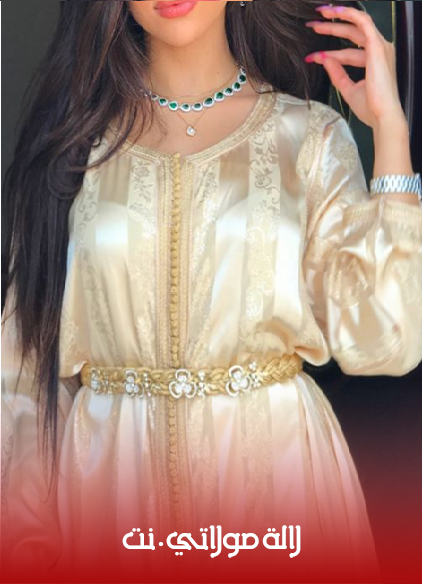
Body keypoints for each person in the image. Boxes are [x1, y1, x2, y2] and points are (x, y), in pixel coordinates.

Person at [2, 1, 422, 583]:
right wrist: (24, 542)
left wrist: (391, 133)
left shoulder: (310, 137)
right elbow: (20, 376)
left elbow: (388, 339)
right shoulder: (73, 147)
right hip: (109, 502)